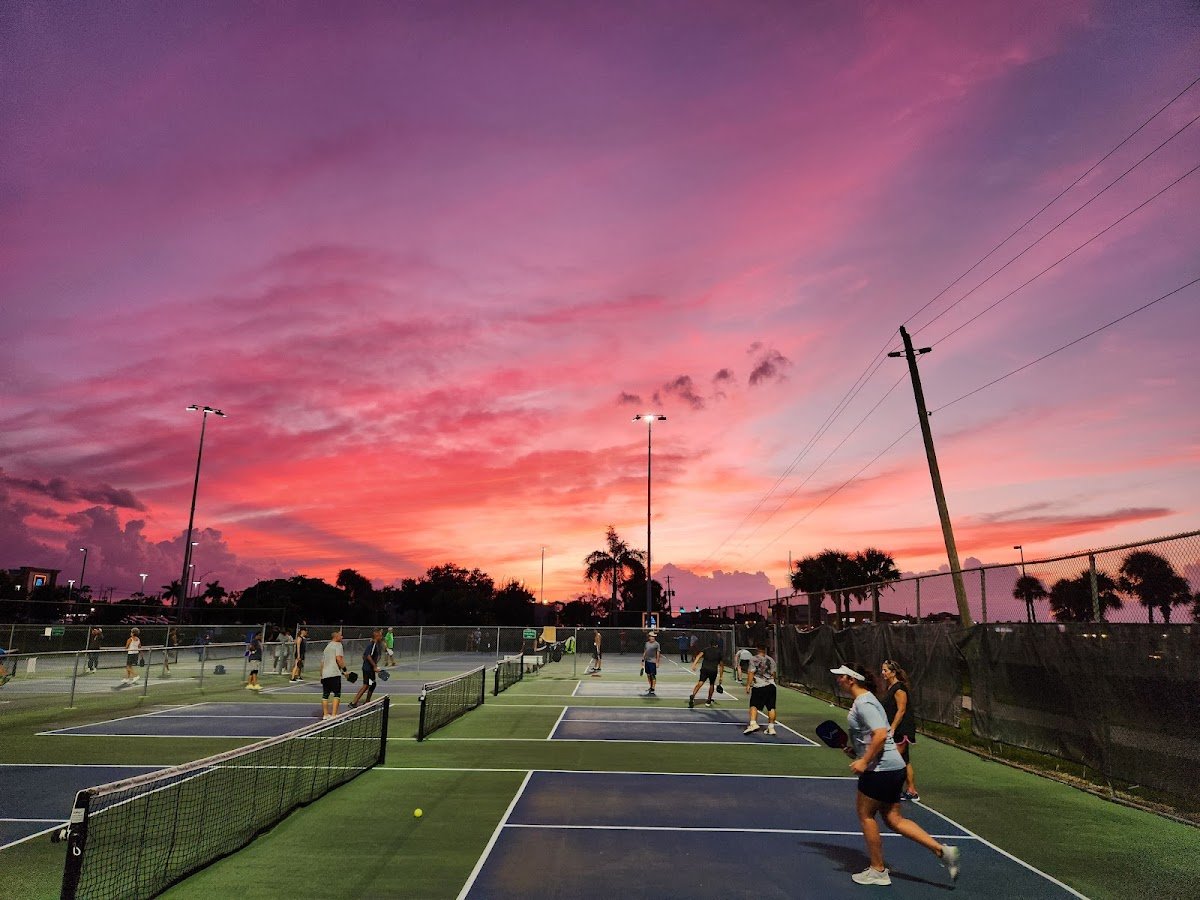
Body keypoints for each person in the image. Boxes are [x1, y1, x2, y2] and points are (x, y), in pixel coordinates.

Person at [830, 663, 959, 887]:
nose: (838, 679)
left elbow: (880, 734)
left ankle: (878, 870)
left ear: (851, 679)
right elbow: (873, 735)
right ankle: (942, 851)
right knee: (893, 819)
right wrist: (857, 751)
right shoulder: (866, 699)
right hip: (893, 767)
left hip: (880, 770)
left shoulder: (865, 702)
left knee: (866, 815)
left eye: (841, 676)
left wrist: (864, 760)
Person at [882, 659, 919, 801]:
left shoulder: (899, 689)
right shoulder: (890, 687)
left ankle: (893, 789)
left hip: (902, 730)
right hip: (897, 730)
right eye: (883, 670)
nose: (883, 673)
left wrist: (892, 729)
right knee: (904, 760)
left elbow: (901, 710)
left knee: (894, 760)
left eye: (885, 670)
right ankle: (912, 791)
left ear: (893, 672)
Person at [743, 645, 778, 735]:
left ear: (757, 649)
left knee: (753, 705)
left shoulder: (753, 659)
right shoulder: (771, 660)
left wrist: (748, 685)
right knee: (771, 707)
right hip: (771, 686)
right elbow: (774, 673)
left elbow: (751, 672)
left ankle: (753, 723)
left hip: (759, 685)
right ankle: (771, 728)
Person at [350, 628, 384, 708]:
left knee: (372, 684)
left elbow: (364, 656)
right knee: (366, 685)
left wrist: (373, 666)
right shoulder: (373, 644)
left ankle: (367, 701)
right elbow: (368, 656)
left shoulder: (375, 644)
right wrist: (374, 666)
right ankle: (354, 702)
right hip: (368, 669)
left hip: (369, 668)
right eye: (380, 635)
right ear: (377, 636)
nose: (382, 637)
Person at [320, 628, 349, 720]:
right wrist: (345, 670)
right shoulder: (338, 645)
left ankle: (325, 715)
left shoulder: (327, 647)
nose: (342, 636)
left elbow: (322, 663)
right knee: (337, 694)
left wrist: (321, 675)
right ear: (336, 636)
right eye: (340, 635)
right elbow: (339, 659)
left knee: (325, 694)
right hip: (334, 674)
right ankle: (334, 714)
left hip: (325, 674)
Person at [688, 638, 725, 708]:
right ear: (717, 645)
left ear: (710, 644)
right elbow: (721, 665)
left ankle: (693, 695)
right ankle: (709, 700)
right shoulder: (719, 652)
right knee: (711, 684)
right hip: (713, 670)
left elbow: (698, 656)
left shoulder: (705, 649)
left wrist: (694, 664)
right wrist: (721, 676)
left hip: (704, 669)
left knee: (700, 682)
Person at [641, 632, 661, 696]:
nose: (652, 637)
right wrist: (643, 660)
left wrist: (657, 662)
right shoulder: (646, 644)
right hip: (647, 661)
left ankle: (653, 688)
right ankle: (650, 686)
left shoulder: (657, 644)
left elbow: (658, 653)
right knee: (648, 675)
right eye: (651, 636)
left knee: (653, 675)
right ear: (649, 637)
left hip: (653, 661)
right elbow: (645, 652)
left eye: (653, 636)